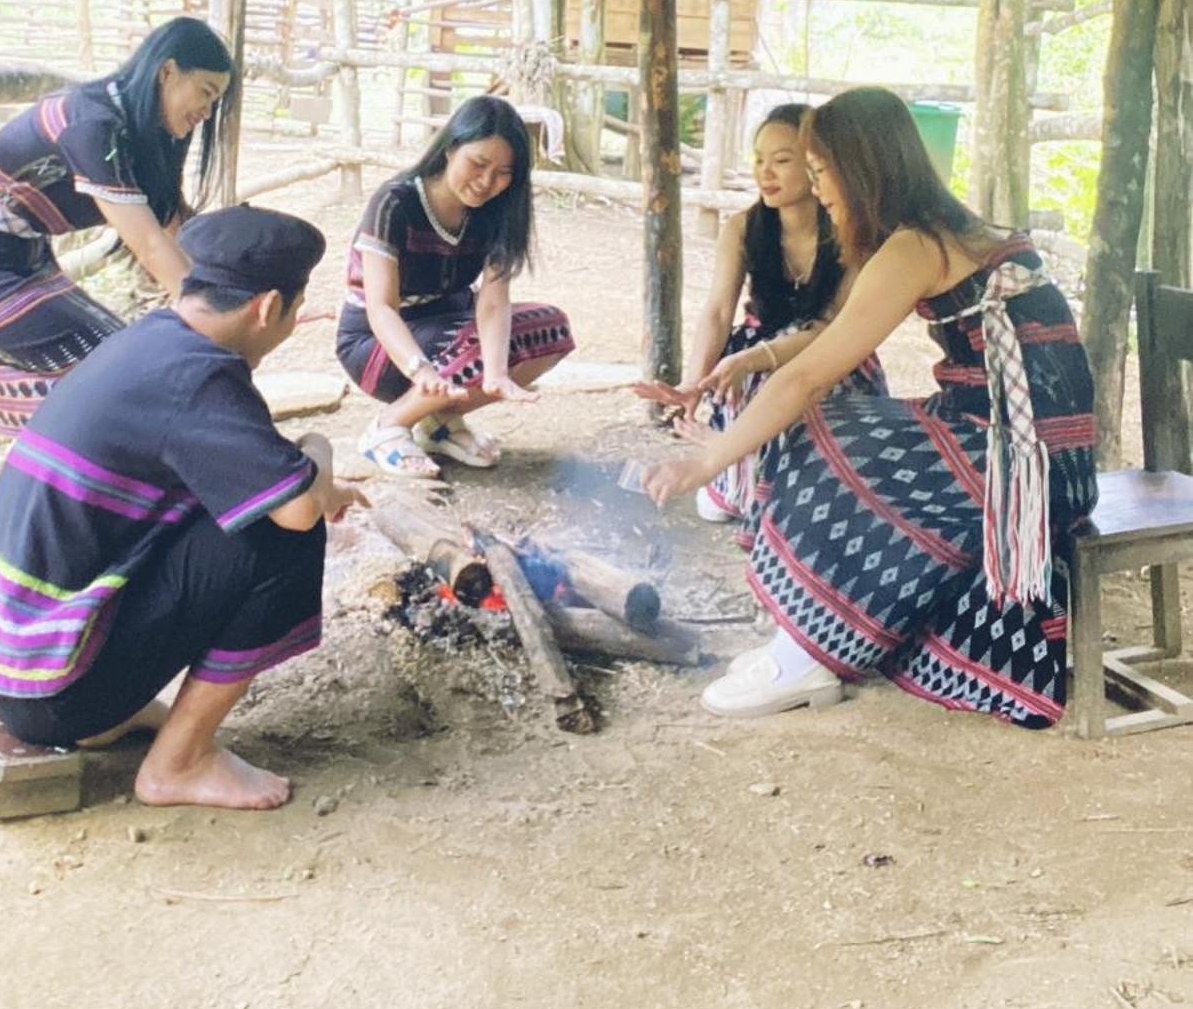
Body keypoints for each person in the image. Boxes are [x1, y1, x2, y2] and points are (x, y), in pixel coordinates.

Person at [645, 87, 1097, 727]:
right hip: (1052, 454)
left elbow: (808, 376)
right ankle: (810, 632)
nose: (819, 186)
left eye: (822, 170)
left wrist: (709, 460)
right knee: (839, 426)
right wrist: (746, 361)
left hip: (1024, 467)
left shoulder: (916, 246)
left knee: (825, 438)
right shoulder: (954, 230)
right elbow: (827, 343)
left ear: (860, 169)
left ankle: (815, 649)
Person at [0, 204, 366, 809]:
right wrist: (320, 453)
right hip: (50, 690)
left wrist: (305, 476)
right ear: (267, 307)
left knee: (258, 497)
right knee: (283, 536)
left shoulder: (152, 341)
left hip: (11, 665)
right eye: (297, 309)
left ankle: (109, 714)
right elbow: (299, 511)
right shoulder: (200, 379)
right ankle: (179, 763)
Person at [0, 17, 235, 434]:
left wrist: (224, 296)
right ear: (167, 72)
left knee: (122, 361)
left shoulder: (138, 130)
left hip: (23, 260)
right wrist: (217, 323)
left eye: (216, 100)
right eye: (205, 93)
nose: (208, 111)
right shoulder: (92, 124)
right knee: (115, 370)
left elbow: (171, 227)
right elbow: (147, 242)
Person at [635, 102, 884, 529]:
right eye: (758, 160)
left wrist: (750, 360)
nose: (764, 173)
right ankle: (737, 480)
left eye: (782, 161)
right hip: (751, 359)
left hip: (826, 355)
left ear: (816, 165)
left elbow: (830, 330)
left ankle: (780, 487)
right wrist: (693, 383)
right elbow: (717, 312)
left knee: (785, 384)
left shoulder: (851, 230)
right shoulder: (743, 228)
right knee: (743, 380)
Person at [336, 96, 575, 476]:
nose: (486, 182)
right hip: (376, 345)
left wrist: (496, 375)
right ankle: (389, 426)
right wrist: (421, 371)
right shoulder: (394, 203)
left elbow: (494, 304)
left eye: (503, 173)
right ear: (450, 148)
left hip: (450, 332)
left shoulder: (497, 214)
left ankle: (438, 424)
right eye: (478, 164)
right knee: (472, 347)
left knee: (552, 328)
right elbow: (381, 308)